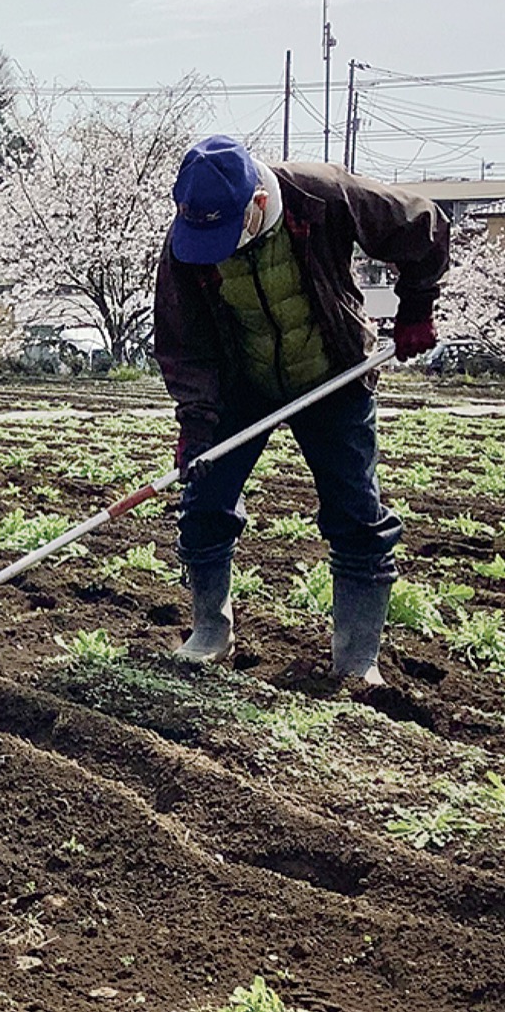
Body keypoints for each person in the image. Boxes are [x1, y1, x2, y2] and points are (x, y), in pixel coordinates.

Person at [154, 136, 449, 685]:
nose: (214, 248)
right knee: (204, 501)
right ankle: (210, 632)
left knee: (357, 515)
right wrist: (197, 426)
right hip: (244, 384)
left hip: (333, 373)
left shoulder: (322, 195)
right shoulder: (188, 241)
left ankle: (357, 659)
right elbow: (183, 343)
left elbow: (423, 224)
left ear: (257, 205)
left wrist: (416, 307)